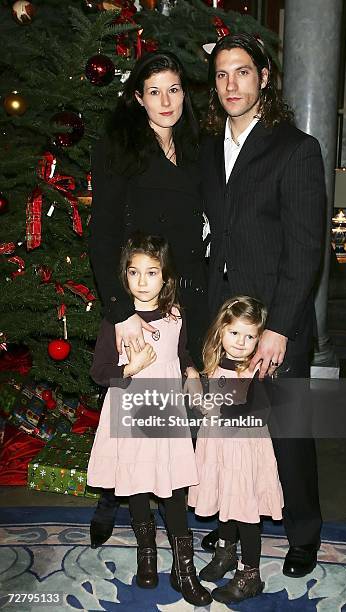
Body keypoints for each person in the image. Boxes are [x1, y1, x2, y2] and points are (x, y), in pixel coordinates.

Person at [199, 33, 325, 578]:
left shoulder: (296, 149)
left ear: (265, 78)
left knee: (289, 435)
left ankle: (304, 535)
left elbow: (306, 249)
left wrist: (280, 328)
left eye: (243, 72)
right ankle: (230, 527)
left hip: (276, 325)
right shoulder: (207, 149)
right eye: (222, 74)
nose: (231, 84)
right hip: (222, 325)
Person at [89, 50, 208, 551]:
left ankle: (171, 510)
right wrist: (121, 315)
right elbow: (102, 235)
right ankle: (115, 499)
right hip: (135, 301)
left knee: (174, 416)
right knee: (128, 411)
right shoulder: (119, 147)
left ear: (185, 94)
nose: (165, 100)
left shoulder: (198, 147)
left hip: (187, 301)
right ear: (137, 97)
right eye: (153, 90)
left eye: (174, 89)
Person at [87, 234, 212, 607]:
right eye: (134, 272)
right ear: (123, 277)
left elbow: (181, 349)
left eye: (152, 272)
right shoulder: (118, 322)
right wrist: (130, 367)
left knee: (174, 492)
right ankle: (147, 552)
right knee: (137, 486)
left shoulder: (176, 315)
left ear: (165, 278)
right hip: (130, 414)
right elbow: (99, 373)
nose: (142, 282)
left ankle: (183, 568)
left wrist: (190, 369)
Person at [188, 296, 283, 604]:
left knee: (245, 512)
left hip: (244, 453)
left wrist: (218, 408)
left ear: (259, 339)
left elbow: (260, 413)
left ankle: (249, 574)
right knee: (224, 499)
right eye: (235, 333)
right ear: (221, 332)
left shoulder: (257, 372)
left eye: (250, 336)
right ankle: (226, 553)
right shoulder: (215, 365)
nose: (242, 342)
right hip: (218, 448)